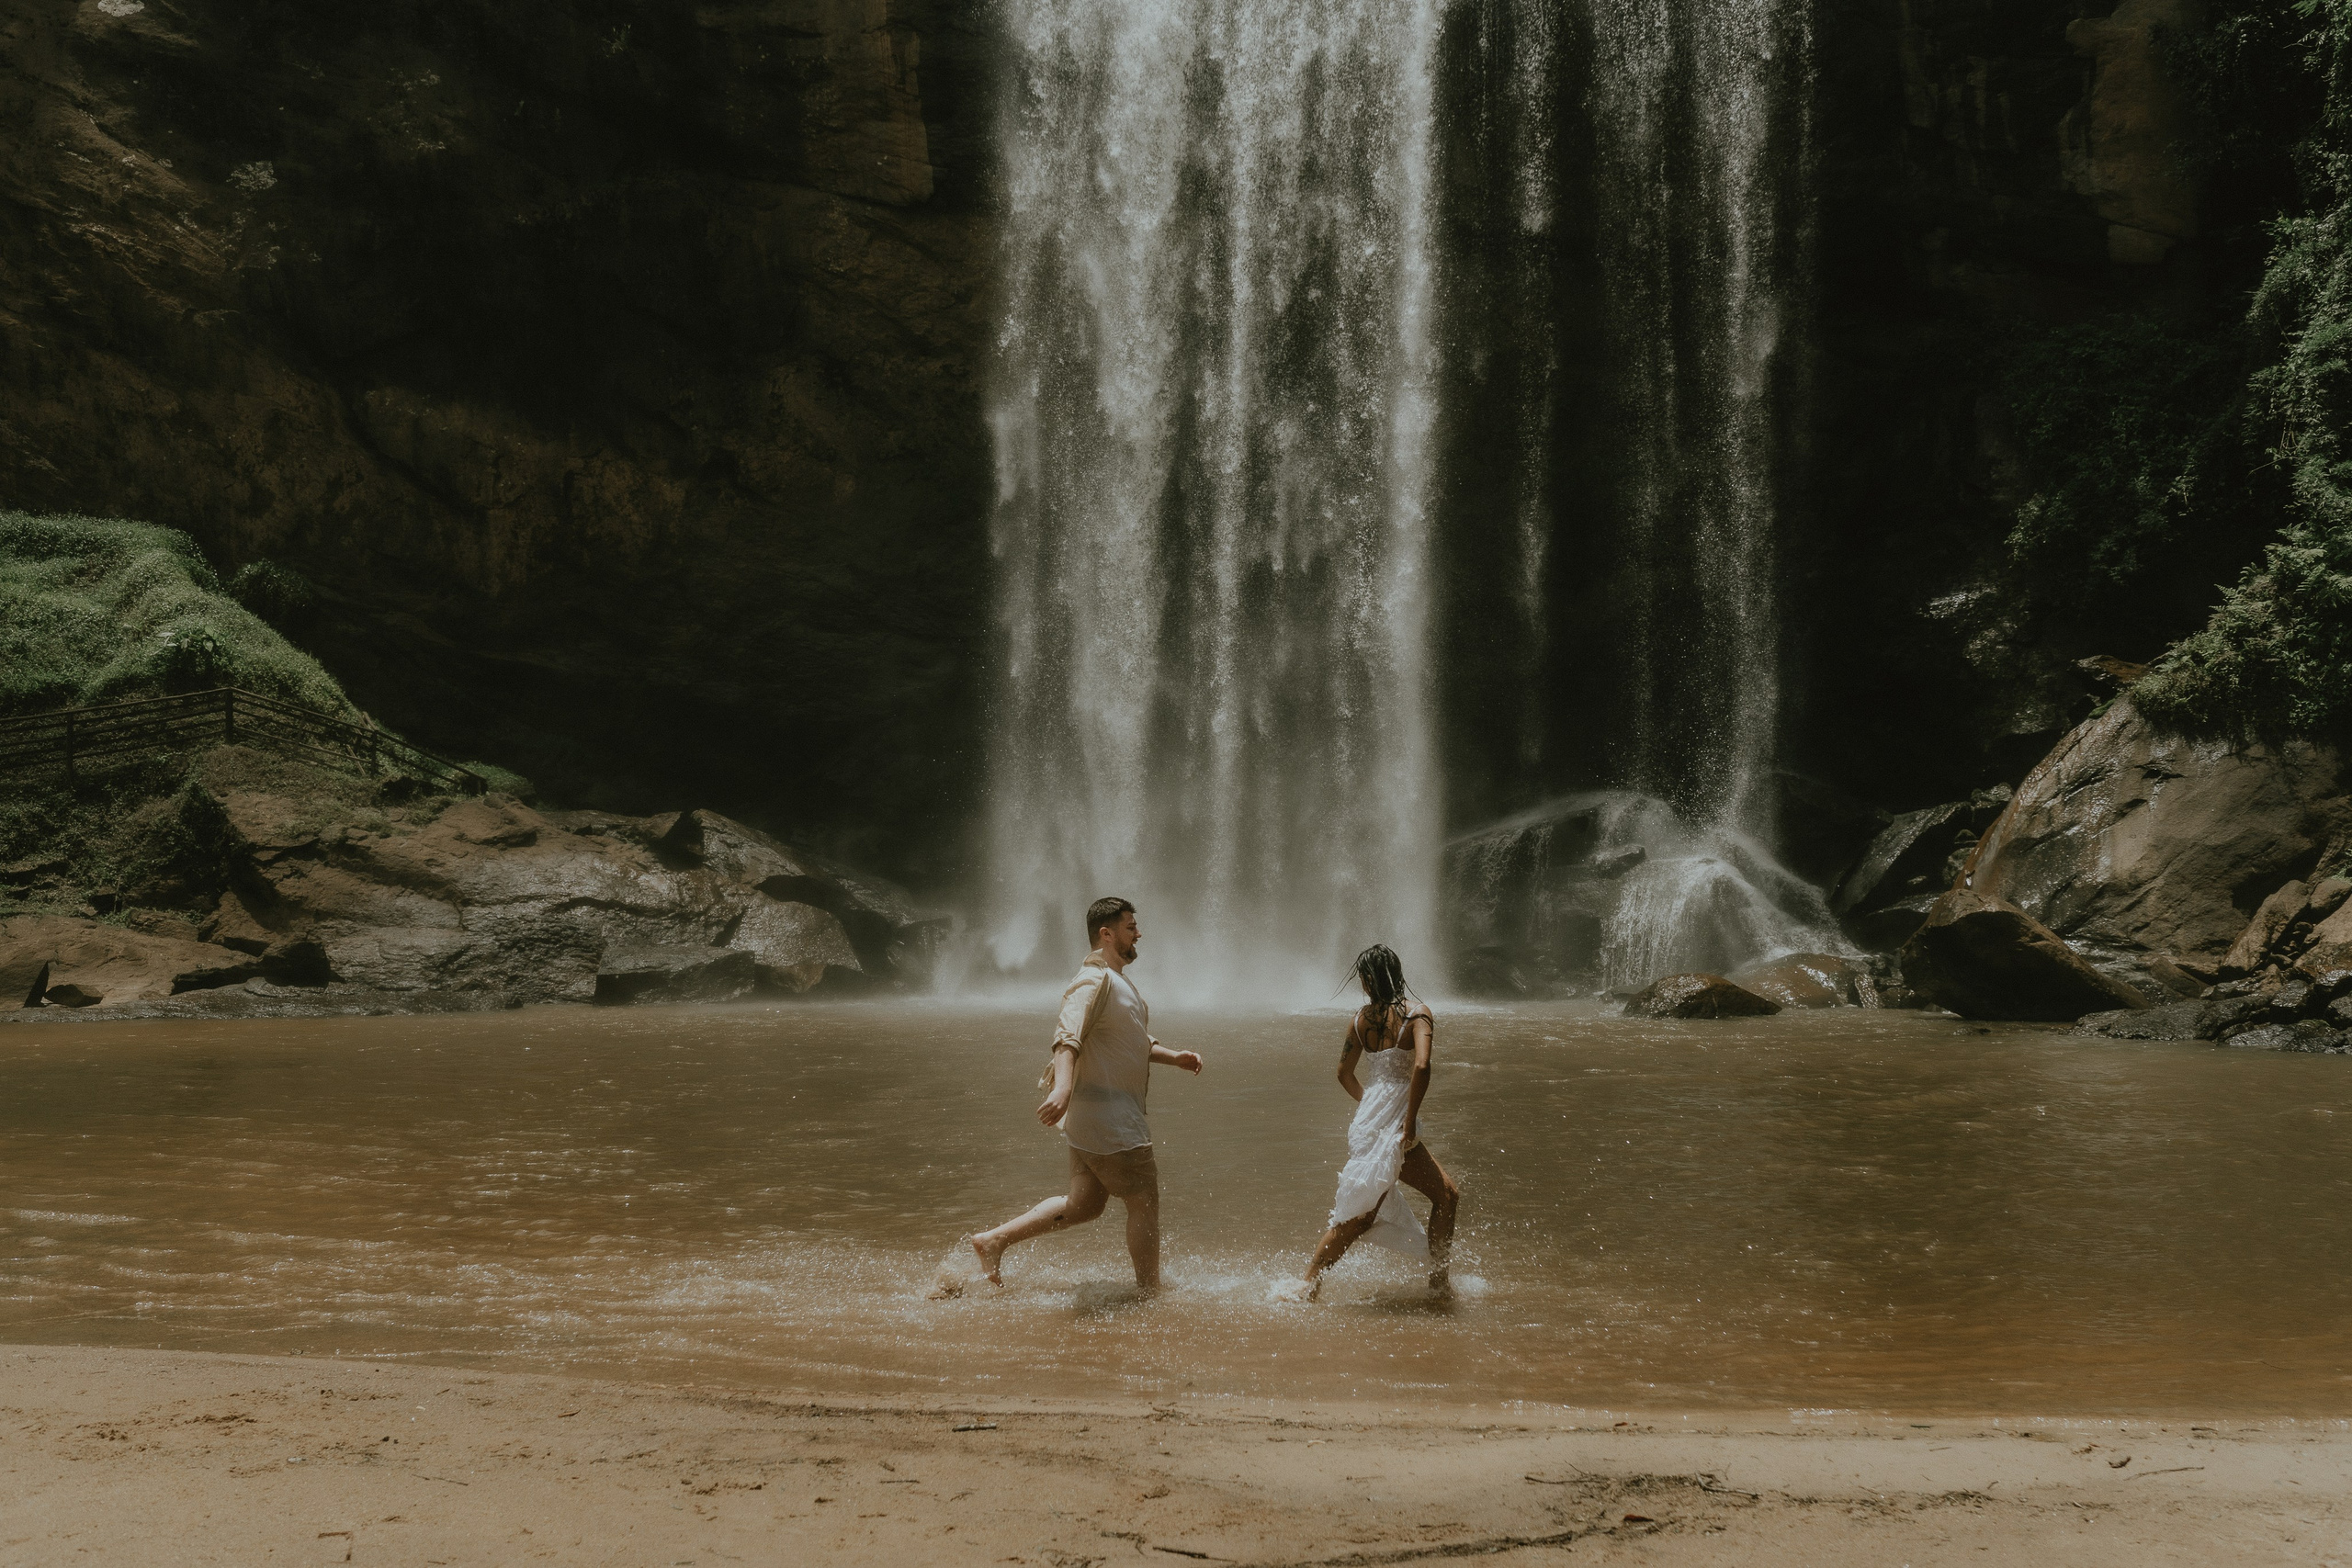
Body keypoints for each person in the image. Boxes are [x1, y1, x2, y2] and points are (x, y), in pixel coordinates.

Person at [968, 897, 1202, 1290]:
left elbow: (1130, 1041)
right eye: (1130, 927)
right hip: (1111, 1120)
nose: (1138, 933)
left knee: (1085, 1204)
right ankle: (1150, 1292)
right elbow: (1067, 1037)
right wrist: (1061, 1088)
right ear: (1106, 934)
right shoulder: (1093, 981)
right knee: (1144, 1199)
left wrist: (1173, 1057)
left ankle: (993, 1240)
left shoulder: (1117, 983)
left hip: (1089, 1118)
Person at [1295, 943, 1460, 1299]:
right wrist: (1409, 1120)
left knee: (1362, 1212)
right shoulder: (1418, 1015)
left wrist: (1370, 1103)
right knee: (1445, 1196)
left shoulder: (1358, 1021)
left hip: (1367, 1122)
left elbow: (1344, 1073)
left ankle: (1306, 1286)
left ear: (1369, 981)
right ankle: (1439, 1285)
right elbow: (1421, 1066)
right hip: (1397, 1124)